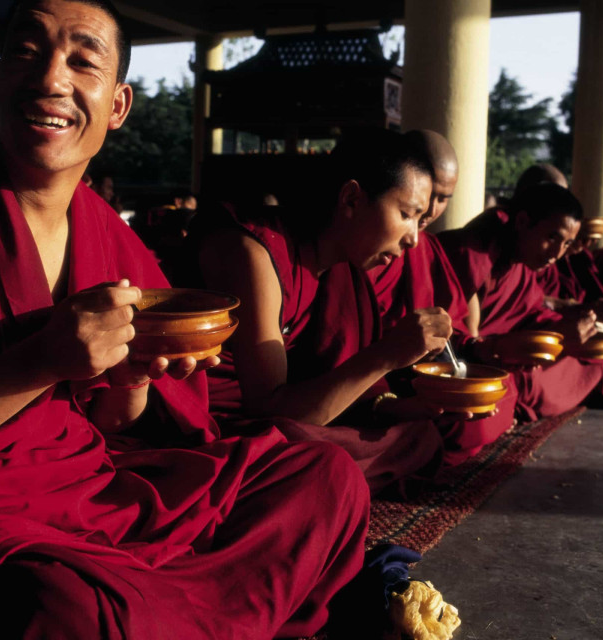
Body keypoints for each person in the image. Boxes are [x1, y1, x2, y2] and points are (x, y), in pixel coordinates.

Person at [0, 2, 370, 638]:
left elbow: (107, 425)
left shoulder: (105, 230)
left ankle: (168, 611)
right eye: (27, 53)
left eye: (83, 61)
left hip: (86, 492)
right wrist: (39, 361)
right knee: (64, 607)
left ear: (118, 105)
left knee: (323, 475)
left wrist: (131, 375)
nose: (51, 79)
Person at [185, 129, 459, 493]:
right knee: (319, 461)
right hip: (216, 424)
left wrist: (409, 406)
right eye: (407, 214)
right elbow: (269, 411)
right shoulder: (253, 251)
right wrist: (386, 355)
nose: (413, 238)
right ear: (351, 199)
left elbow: (330, 385)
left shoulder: (340, 267)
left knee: (419, 435)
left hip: (296, 420)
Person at [366, 130, 517, 466]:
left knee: (502, 393)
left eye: (443, 198)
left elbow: (455, 329)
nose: (431, 209)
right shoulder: (363, 245)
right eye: (427, 193)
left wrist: (478, 350)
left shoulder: (426, 248)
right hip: (374, 382)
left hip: (424, 377)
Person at [438, 184, 603, 421]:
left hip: (507, 351)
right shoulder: (476, 252)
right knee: (519, 382)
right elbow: (466, 350)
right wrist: (544, 342)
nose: (557, 253)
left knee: (592, 362)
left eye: (566, 244)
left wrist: (567, 330)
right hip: (483, 359)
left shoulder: (521, 261)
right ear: (522, 222)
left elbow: (529, 312)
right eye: (552, 237)